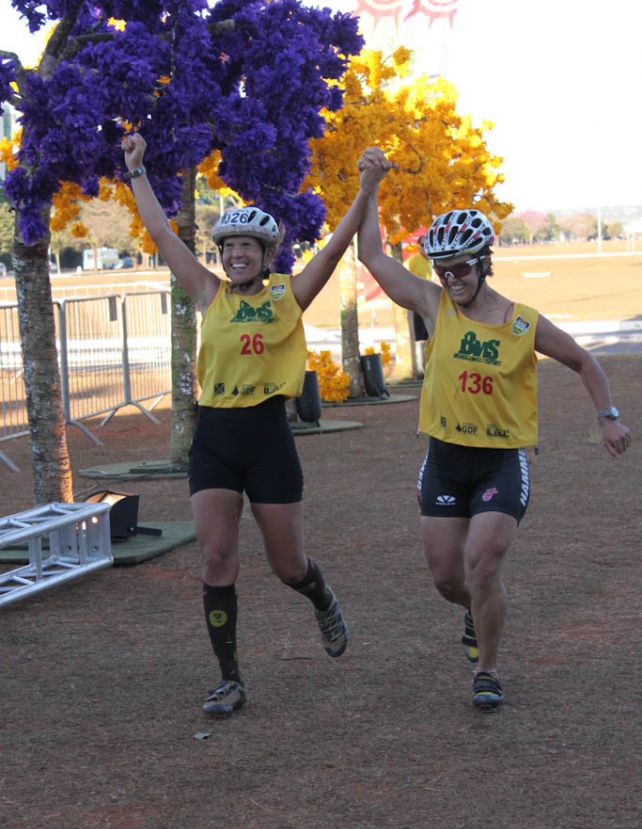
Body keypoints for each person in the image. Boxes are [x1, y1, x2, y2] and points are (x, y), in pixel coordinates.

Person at [357, 146, 631, 711]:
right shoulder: (435, 307)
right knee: (447, 578)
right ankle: (472, 613)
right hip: (444, 457)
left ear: (484, 262)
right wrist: (371, 185)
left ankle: (488, 669)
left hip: (501, 460)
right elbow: (371, 254)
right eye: (441, 268)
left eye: (460, 266)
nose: (450, 277)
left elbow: (585, 361)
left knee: (483, 562)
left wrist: (607, 418)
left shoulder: (522, 322)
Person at [121, 132, 380, 718]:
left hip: (268, 437)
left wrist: (366, 191)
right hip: (214, 436)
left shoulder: (290, 296)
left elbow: (338, 247)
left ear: (268, 255)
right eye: (230, 244)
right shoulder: (208, 294)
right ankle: (230, 679)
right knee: (215, 558)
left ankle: (321, 596)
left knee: (288, 565)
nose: (238, 252)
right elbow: (163, 235)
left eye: (249, 246)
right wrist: (137, 170)